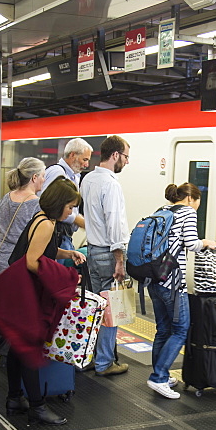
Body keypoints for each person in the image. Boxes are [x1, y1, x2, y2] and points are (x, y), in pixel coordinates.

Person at [0, 178, 86, 424]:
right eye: (70, 207)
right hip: (26, 293)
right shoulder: (47, 225)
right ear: (59, 204)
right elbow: (31, 261)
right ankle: (37, 406)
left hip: (18, 290)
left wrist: (67, 253)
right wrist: (65, 276)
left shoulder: (41, 219)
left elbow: (42, 250)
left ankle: (15, 397)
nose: (71, 212)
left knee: (17, 349)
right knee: (28, 350)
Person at [145, 183, 216, 398]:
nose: (196, 208)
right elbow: (192, 243)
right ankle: (158, 378)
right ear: (190, 199)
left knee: (163, 330)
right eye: (197, 204)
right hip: (173, 282)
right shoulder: (187, 213)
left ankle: (161, 375)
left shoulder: (161, 211)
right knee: (181, 329)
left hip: (154, 279)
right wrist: (207, 242)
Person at [79, 135, 131, 377]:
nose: (127, 163)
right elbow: (114, 224)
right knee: (111, 309)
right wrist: (120, 260)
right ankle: (104, 363)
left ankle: (90, 357)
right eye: (126, 157)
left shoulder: (87, 179)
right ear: (115, 155)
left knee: (96, 309)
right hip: (108, 254)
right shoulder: (111, 184)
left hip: (92, 250)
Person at [40, 138, 91, 258]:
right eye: (84, 159)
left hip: (64, 236)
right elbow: (51, 206)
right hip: (56, 236)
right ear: (72, 155)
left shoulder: (74, 176)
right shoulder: (57, 173)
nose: (86, 164)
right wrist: (79, 221)